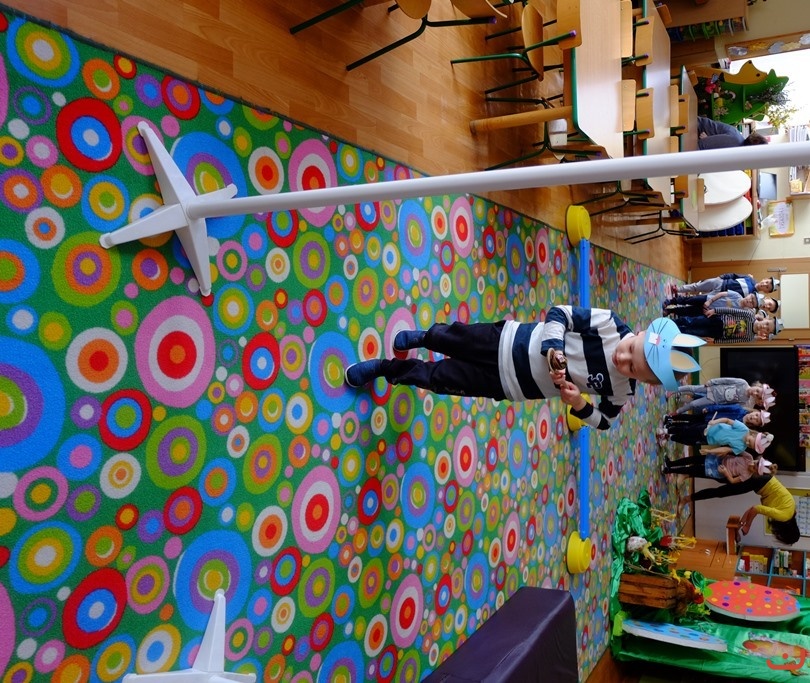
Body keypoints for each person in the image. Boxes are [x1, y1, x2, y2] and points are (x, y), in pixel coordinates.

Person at [344, 308, 705, 430]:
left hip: (510, 385)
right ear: (638, 333)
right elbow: (559, 314)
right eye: (630, 351)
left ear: (645, 382)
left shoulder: (623, 390)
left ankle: (386, 369)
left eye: (633, 369)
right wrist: (553, 349)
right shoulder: (610, 324)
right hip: (508, 340)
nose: (622, 362)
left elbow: (606, 422)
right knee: (452, 338)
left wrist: (579, 404)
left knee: (441, 379)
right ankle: (426, 337)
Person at [682, 473, 800, 546]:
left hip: (762, 480)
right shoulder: (784, 516)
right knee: (721, 490)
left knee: (722, 482)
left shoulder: (790, 511)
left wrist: (739, 527)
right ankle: (687, 496)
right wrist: (747, 525)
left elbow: (751, 510)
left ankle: (688, 481)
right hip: (759, 481)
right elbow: (755, 509)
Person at [657, 417, 773, 456]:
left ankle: (670, 437)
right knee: (688, 430)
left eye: (750, 446)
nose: (747, 444)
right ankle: (666, 430)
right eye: (750, 441)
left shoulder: (741, 448)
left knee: (688, 440)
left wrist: (709, 451)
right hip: (709, 428)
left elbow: (725, 449)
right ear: (754, 435)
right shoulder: (744, 429)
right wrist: (715, 422)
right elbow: (727, 420)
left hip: (708, 440)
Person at [672, 307, 781, 344]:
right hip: (717, 320)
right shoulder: (749, 315)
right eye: (767, 324)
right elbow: (731, 310)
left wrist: (715, 341)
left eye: (767, 329)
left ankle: (673, 332)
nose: (764, 327)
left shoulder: (750, 337)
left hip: (717, 334)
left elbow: (732, 340)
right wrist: (715, 310)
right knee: (692, 321)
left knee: (692, 332)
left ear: (766, 333)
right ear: (765, 319)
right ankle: (672, 323)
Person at [674, 377, 774, 414]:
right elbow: (726, 380)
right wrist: (712, 382)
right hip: (713, 388)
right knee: (694, 389)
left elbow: (731, 406)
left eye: (757, 395)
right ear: (757, 385)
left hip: (714, 400)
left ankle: (677, 412)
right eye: (757, 390)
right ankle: (674, 390)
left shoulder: (746, 401)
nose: (755, 393)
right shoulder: (743, 383)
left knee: (694, 404)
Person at [662, 452, 777, 484]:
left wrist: (726, 473)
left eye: (754, 468)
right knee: (693, 459)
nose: (752, 464)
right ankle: (671, 463)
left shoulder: (747, 475)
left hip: (717, 471)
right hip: (717, 459)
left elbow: (733, 481)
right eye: (756, 462)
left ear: (756, 473)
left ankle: (669, 470)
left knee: (693, 470)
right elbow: (735, 449)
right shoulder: (748, 457)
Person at [662, 292, 778, 317]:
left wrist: (712, 312)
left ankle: (671, 311)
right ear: (749, 295)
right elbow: (722, 294)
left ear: (752, 307)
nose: (749, 301)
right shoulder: (737, 295)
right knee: (689, 300)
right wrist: (710, 301)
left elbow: (725, 314)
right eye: (751, 298)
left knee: (689, 312)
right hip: (707, 299)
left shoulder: (741, 311)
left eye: (752, 303)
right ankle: (671, 301)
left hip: (709, 310)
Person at [670, 274, 779, 298]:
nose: (764, 285)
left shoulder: (753, 296)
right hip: (721, 283)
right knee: (698, 286)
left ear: (766, 292)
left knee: (700, 297)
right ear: (765, 279)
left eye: (767, 287)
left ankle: (682, 300)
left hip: (721, 294)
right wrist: (721, 277)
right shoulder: (749, 278)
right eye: (766, 282)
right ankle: (678, 289)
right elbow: (733, 275)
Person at [664, 405, 770, 429]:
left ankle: (672, 426)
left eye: (757, 420)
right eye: (756, 415)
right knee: (691, 418)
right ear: (755, 411)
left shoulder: (742, 427)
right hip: (709, 416)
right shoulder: (739, 409)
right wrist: (710, 408)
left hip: (712, 427)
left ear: (756, 425)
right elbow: (723, 407)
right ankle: (671, 419)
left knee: (691, 426)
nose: (754, 417)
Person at [697, 116, 769, 150]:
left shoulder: (738, 142)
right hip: (695, 128)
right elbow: (702, 144)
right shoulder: (735, 142)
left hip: (696, 132)